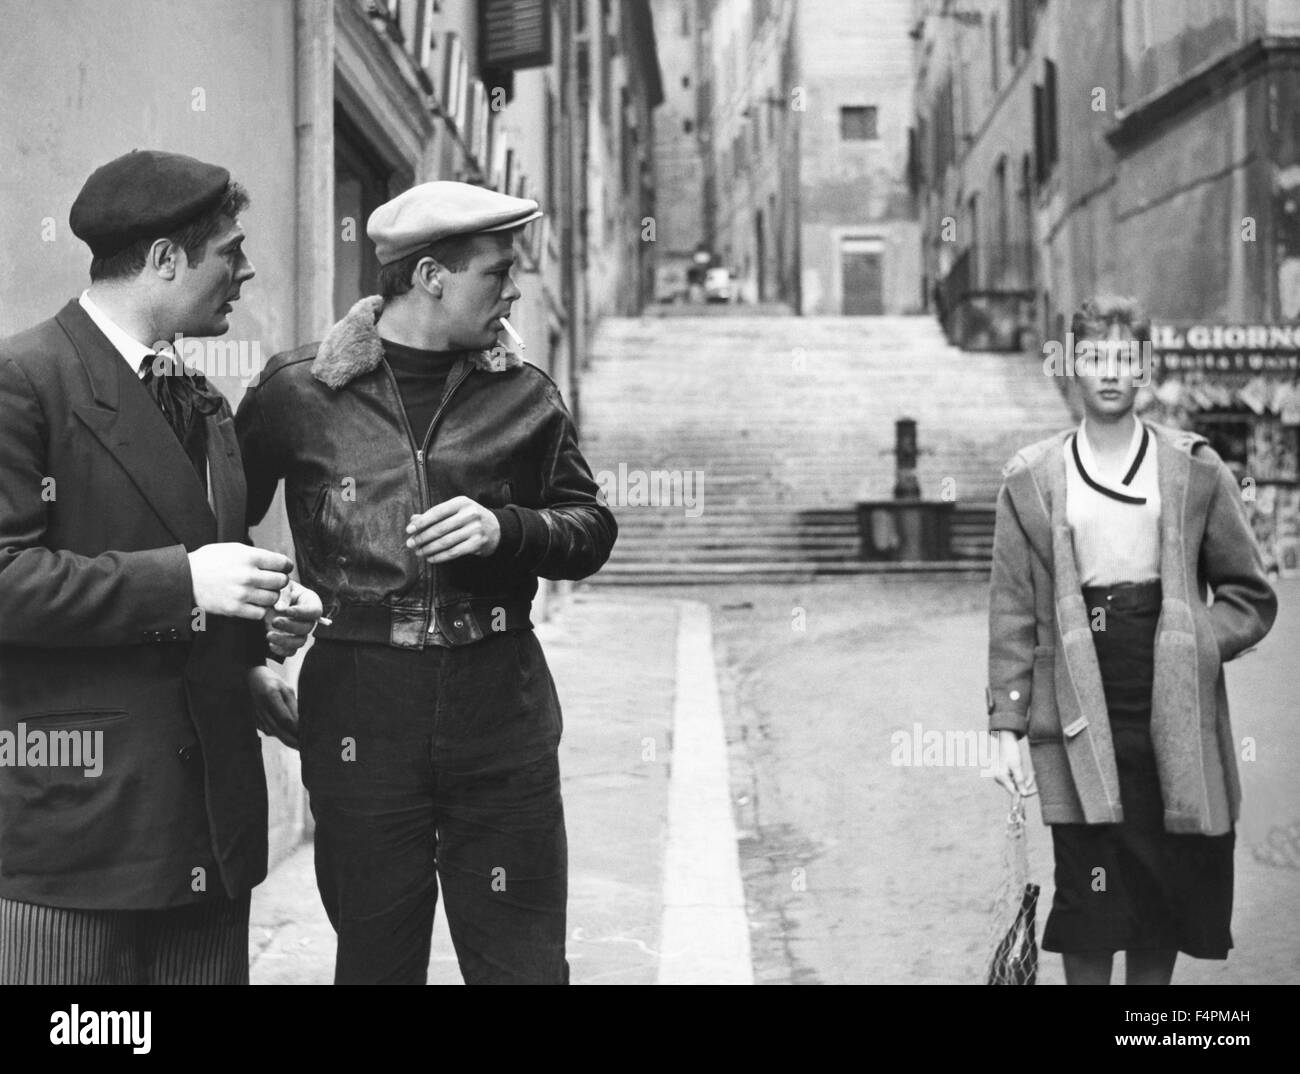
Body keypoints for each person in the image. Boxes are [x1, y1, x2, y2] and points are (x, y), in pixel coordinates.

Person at [235, 180, 617, 985]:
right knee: (376, 963)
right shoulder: (297, 393)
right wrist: (251, 655)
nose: (514, 289)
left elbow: (590, 530)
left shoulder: (525, 394)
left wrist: (509, 530)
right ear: (432, 275)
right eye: (497, 271)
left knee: (524, 966)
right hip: (362, 708)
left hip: (500, 704)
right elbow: (211, 528)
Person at [0, 149, 321, 985]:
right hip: (79, 834)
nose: (246, 272)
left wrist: (256, 641)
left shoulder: (203, 399)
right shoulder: (24, 381)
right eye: (231, 252)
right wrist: (185, 582)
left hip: (207, 825)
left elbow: (209, 567)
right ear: (166, 260)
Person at [987, 294, 1277, 985]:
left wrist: (1194, 639)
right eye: (1094, 357)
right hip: (1076, 697)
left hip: (1171, 704)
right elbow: (1012, 612)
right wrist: (1006, 727)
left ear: (1146, 366)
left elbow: (1249, 593)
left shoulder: (1191, 469)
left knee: (1162, 895)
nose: (1110, 372)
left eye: (1124, 357)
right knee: (1088, 898)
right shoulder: (1033, 480)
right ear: (1071, 367)